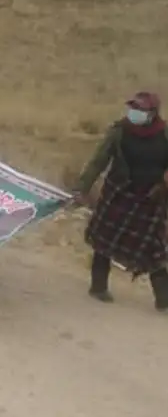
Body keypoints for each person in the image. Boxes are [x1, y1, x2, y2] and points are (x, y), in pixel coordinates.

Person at [72, 91, 168, 312]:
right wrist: (81, 189)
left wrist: (163, 185)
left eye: (141, 110)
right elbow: (98, 161)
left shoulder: (164, 135)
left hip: (152, 199)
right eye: (133, 108)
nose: (135, 113)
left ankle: (164, 300)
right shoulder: (119, 132)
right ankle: (98, 287)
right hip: (119, 193)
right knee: (104, 241)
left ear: (153, 113)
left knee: (155, 250)